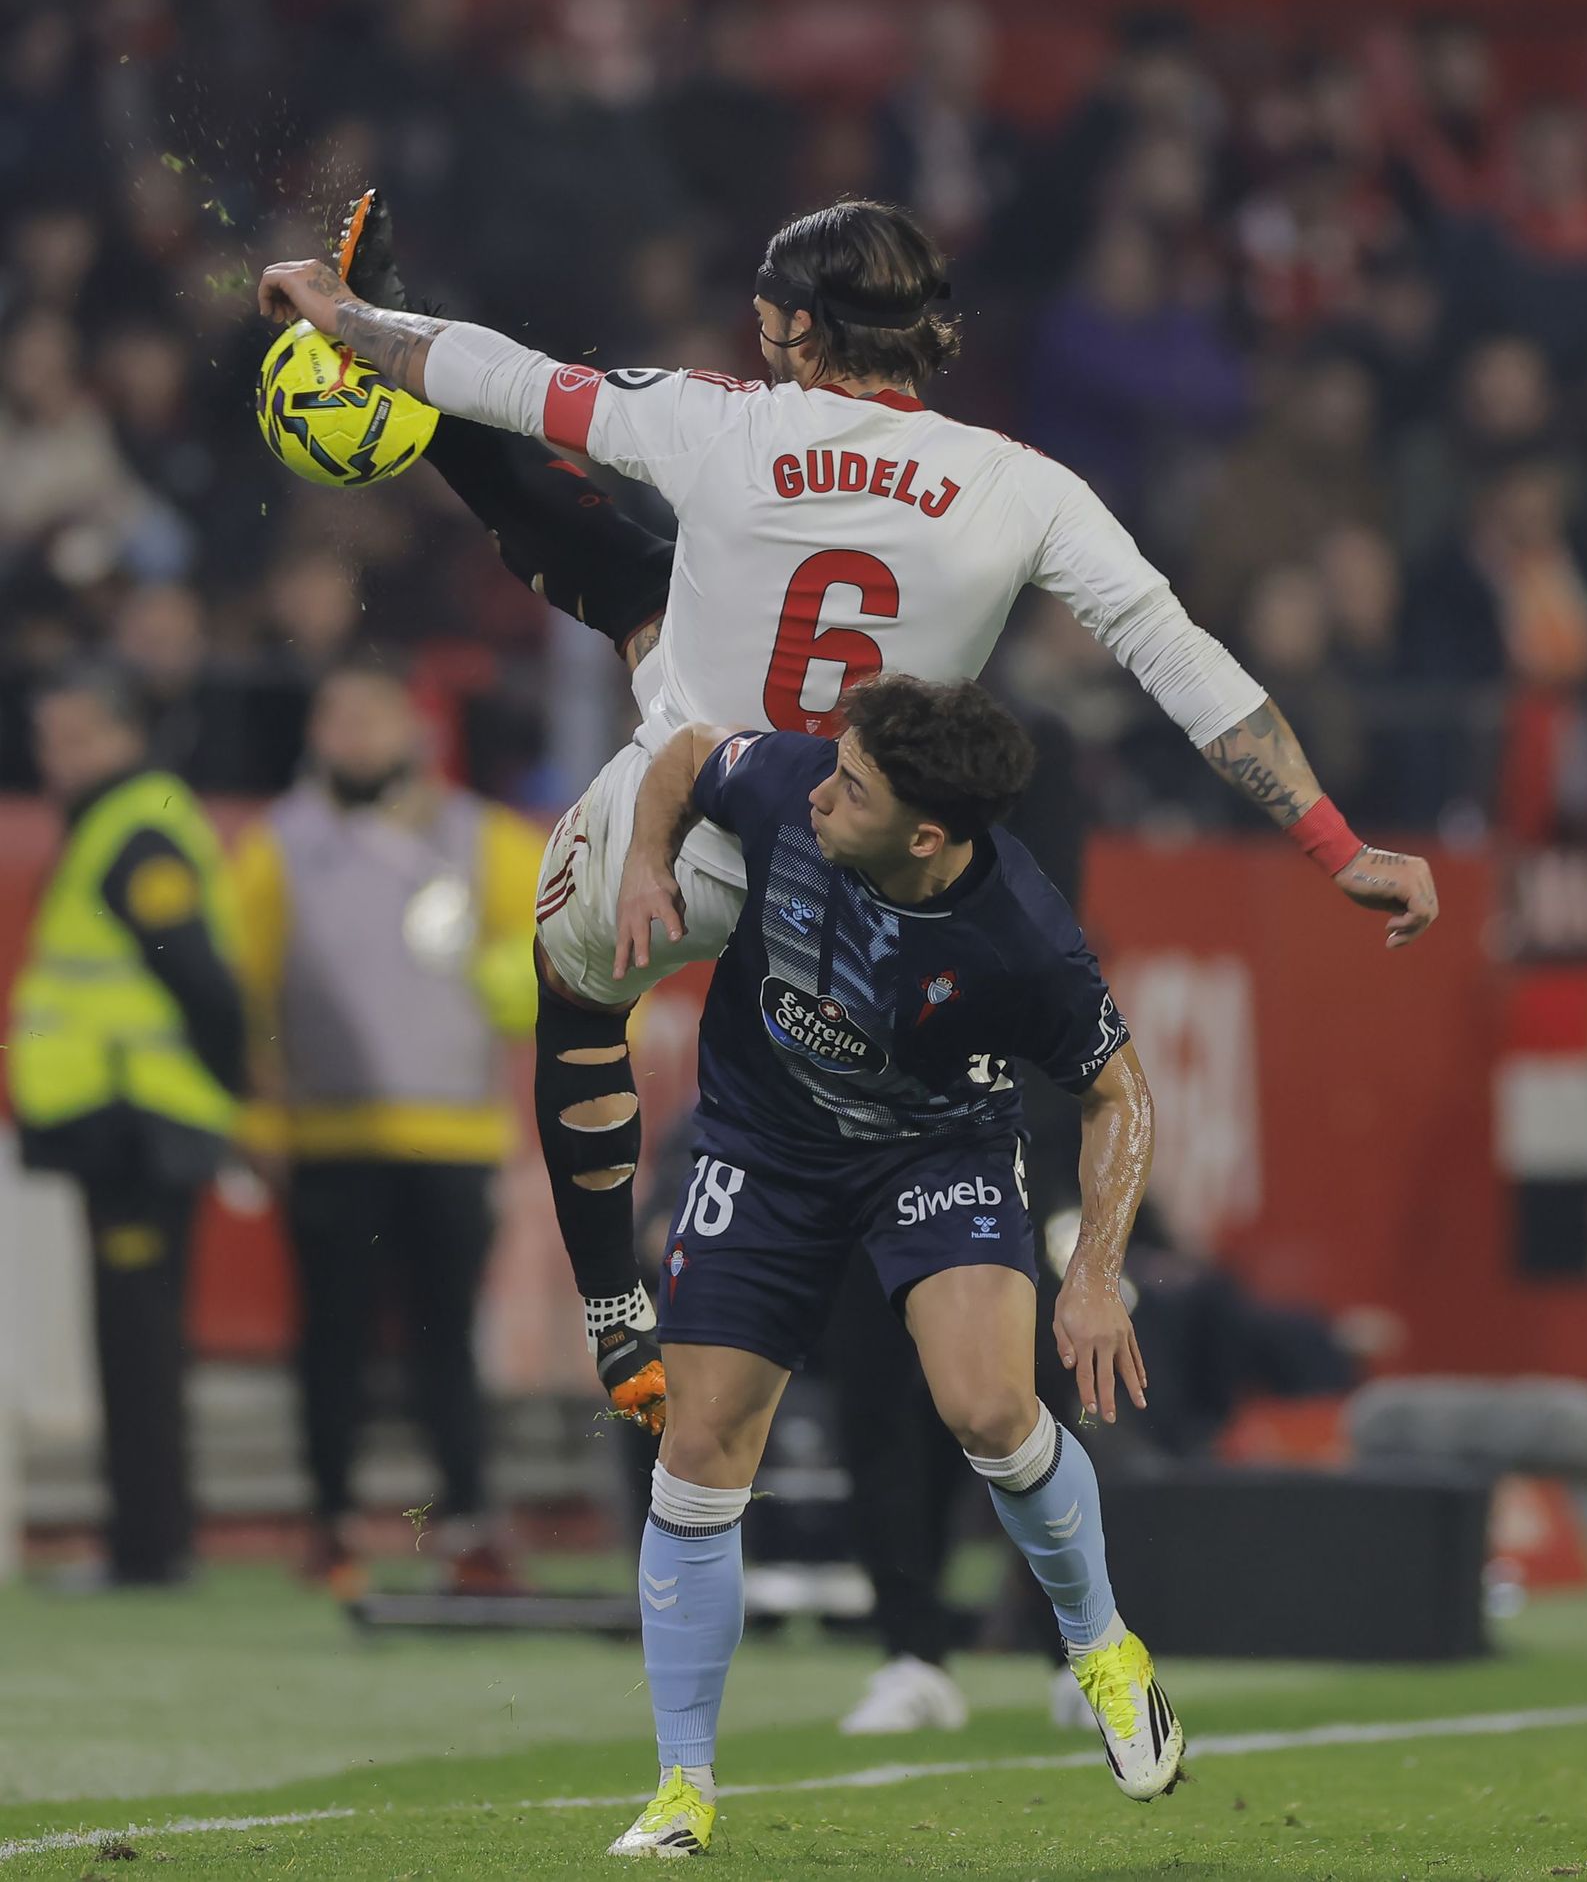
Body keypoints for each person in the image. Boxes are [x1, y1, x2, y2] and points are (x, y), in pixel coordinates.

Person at [257, 194, 1438, 1446]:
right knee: (637, 581)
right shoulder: (1026, 488)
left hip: (704, 815)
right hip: (870, 869)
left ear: (794, 326)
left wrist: (357, 321)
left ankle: (613, 1301)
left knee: (575, 982)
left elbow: (513, 381)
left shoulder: (720, 422)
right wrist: (1339, 845)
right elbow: (1191, 670)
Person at [590, 674, 1172, 1855]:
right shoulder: (790, 779)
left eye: (851, 785)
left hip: (933, 1150)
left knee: (991, 1407)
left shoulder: (1022, 936)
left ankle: (1103, 1644)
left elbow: (1119, 1091)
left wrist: (1096, 1270)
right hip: (762, 1146)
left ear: (925, 835)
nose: (821, 790)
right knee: (698, 1446)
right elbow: (687, 752)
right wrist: (649, 863)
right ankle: (682, 1785)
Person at [230, 659, 544, 1596]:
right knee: (334, 1341)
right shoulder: (275, 847)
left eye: (373, 717)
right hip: (331, 1134)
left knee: (448, 1341)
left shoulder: (483, 838)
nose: (355, 736)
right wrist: (259, 1110)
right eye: (338, 718)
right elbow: (244, 990)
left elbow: (552, 954)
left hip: (452, 1135)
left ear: (416, 729)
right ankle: (332, 1525)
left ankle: (470, 1524)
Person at [6, 662, 245, 1586]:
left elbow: (205, 984)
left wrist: (223, 1095)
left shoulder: (134, 833)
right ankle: (150, 1540)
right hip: (134, 1119)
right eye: (46, 739)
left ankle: (147, 1549)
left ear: (120, 736)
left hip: (136, 1120)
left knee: (137, 1342)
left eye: (71, 737)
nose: (52, 758)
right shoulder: (127, 824)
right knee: (136, 1336)